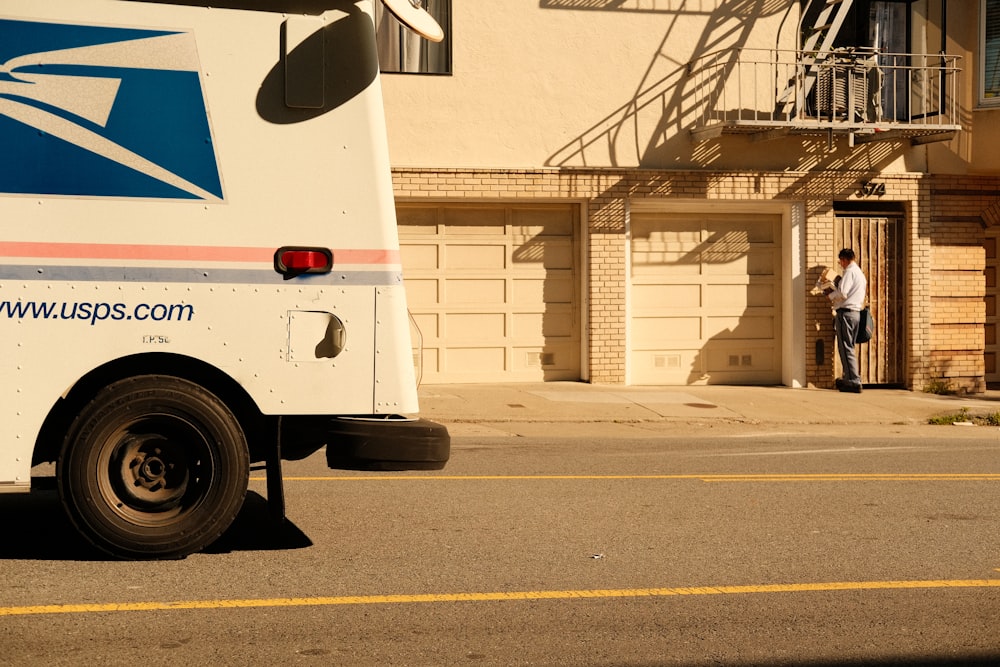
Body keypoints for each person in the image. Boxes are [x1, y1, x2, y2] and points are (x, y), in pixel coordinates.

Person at [825, 248, 867, 393]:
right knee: (849, 346)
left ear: (844, 259)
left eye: (840, 261)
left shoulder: (849, 272)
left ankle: (853, 380)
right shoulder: (860, 274)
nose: (840, 264)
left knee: (845, 347)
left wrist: (830, 295)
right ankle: (850, 378)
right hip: (855, 313)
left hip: (846, 314)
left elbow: (843, 292)